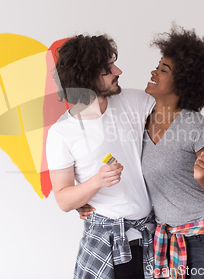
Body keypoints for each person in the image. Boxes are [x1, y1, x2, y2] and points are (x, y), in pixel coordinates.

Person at [46, 34, 157, 279]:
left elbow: (175, 118)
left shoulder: (135, 101)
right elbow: (64, 200)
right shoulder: (62, 132)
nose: (118, 70)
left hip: (150, 239)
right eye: (108, 69)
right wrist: (96, 182)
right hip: (104, 243)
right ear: (87, 78)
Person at [141, 25, 204, 279]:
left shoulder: (196, 126)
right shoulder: (141, 119)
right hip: (167, 241)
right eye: (158, 65)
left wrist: (203, 178)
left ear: (183, 82)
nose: (154, 71)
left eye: (163, 70)